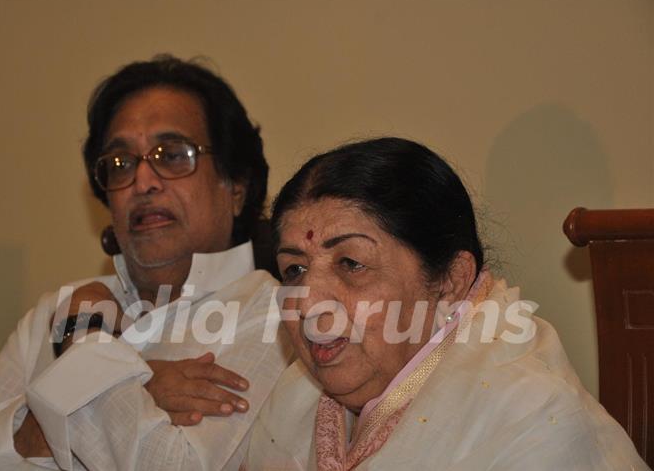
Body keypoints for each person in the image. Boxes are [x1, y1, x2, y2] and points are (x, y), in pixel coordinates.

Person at [0, 55, 290, 470]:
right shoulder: (52, 311)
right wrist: (136, 385)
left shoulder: (278, 315)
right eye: (120, 164)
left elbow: (172, 464)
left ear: (236, 188)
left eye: (173, 154)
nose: (142, 181)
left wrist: (85, 338)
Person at [243, 137, 648, 470]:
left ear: (451, 281)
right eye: (294, 270)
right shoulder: (297, 397)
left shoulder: (530, 421)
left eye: (351, 263)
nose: (308, 301)